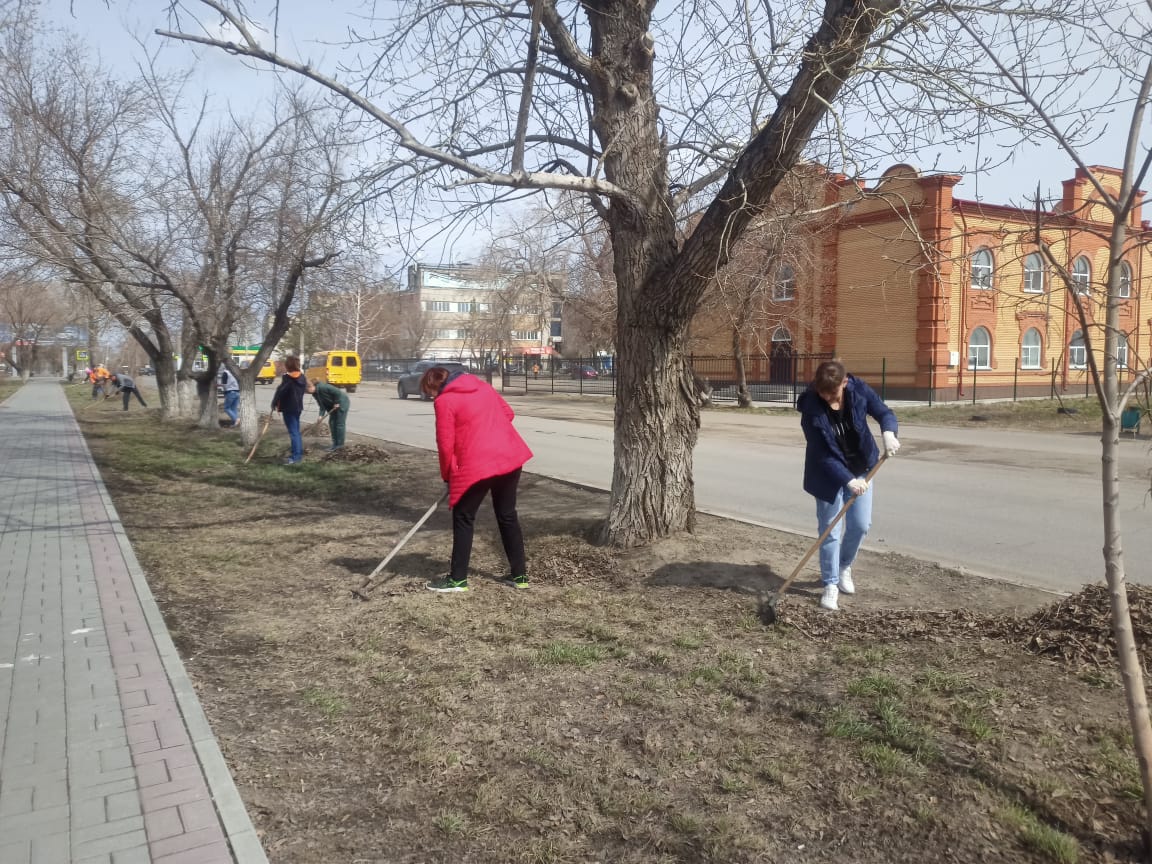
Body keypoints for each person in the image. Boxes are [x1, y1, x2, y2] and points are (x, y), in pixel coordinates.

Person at [796, 359, 900, 612]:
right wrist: (848, 480)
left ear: (844, 382)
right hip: (828, 475)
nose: (829, 399)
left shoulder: (858, 389)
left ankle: (844, 567)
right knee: (830, 530)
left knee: (861, 525)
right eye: (823, 394)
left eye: (834, 393)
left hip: (863, 468)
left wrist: (889, 432)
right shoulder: (811, 408)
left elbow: (884, 412)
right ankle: (830, 583)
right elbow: (822, 455)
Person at [420, 365, 533, 593]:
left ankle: (458, 580)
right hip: (509, 456)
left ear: (433, 385)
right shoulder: (482, 386)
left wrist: (448, 474)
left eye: (429, 391)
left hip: (477, 464)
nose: (430, 395)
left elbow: (445, 444)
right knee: (507, 515)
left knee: (464, 517)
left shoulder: (444, 401)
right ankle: (520, 576)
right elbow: (508, 413)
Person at [271, 356, 307, 465]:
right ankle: (297, 454)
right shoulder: (302, 377)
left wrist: (274, 402)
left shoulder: (288, 378)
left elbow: (281, 391)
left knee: (294, 433)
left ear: (288, 365)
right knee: (296, 432)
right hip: (298, 407)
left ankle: (296, 457)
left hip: (289, 407)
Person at [305, 377, 350, 451]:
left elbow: (337, 392)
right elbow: (321, 406)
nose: (307, 393)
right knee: (332, 423)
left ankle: (340, 445)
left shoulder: (323, 387)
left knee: (339, 424)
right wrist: (320, 416)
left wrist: (337, 402)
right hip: (333, 405)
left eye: (307, 391)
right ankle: (335, 444)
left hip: (342, 403)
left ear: (311, 386)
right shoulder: (315, 393)